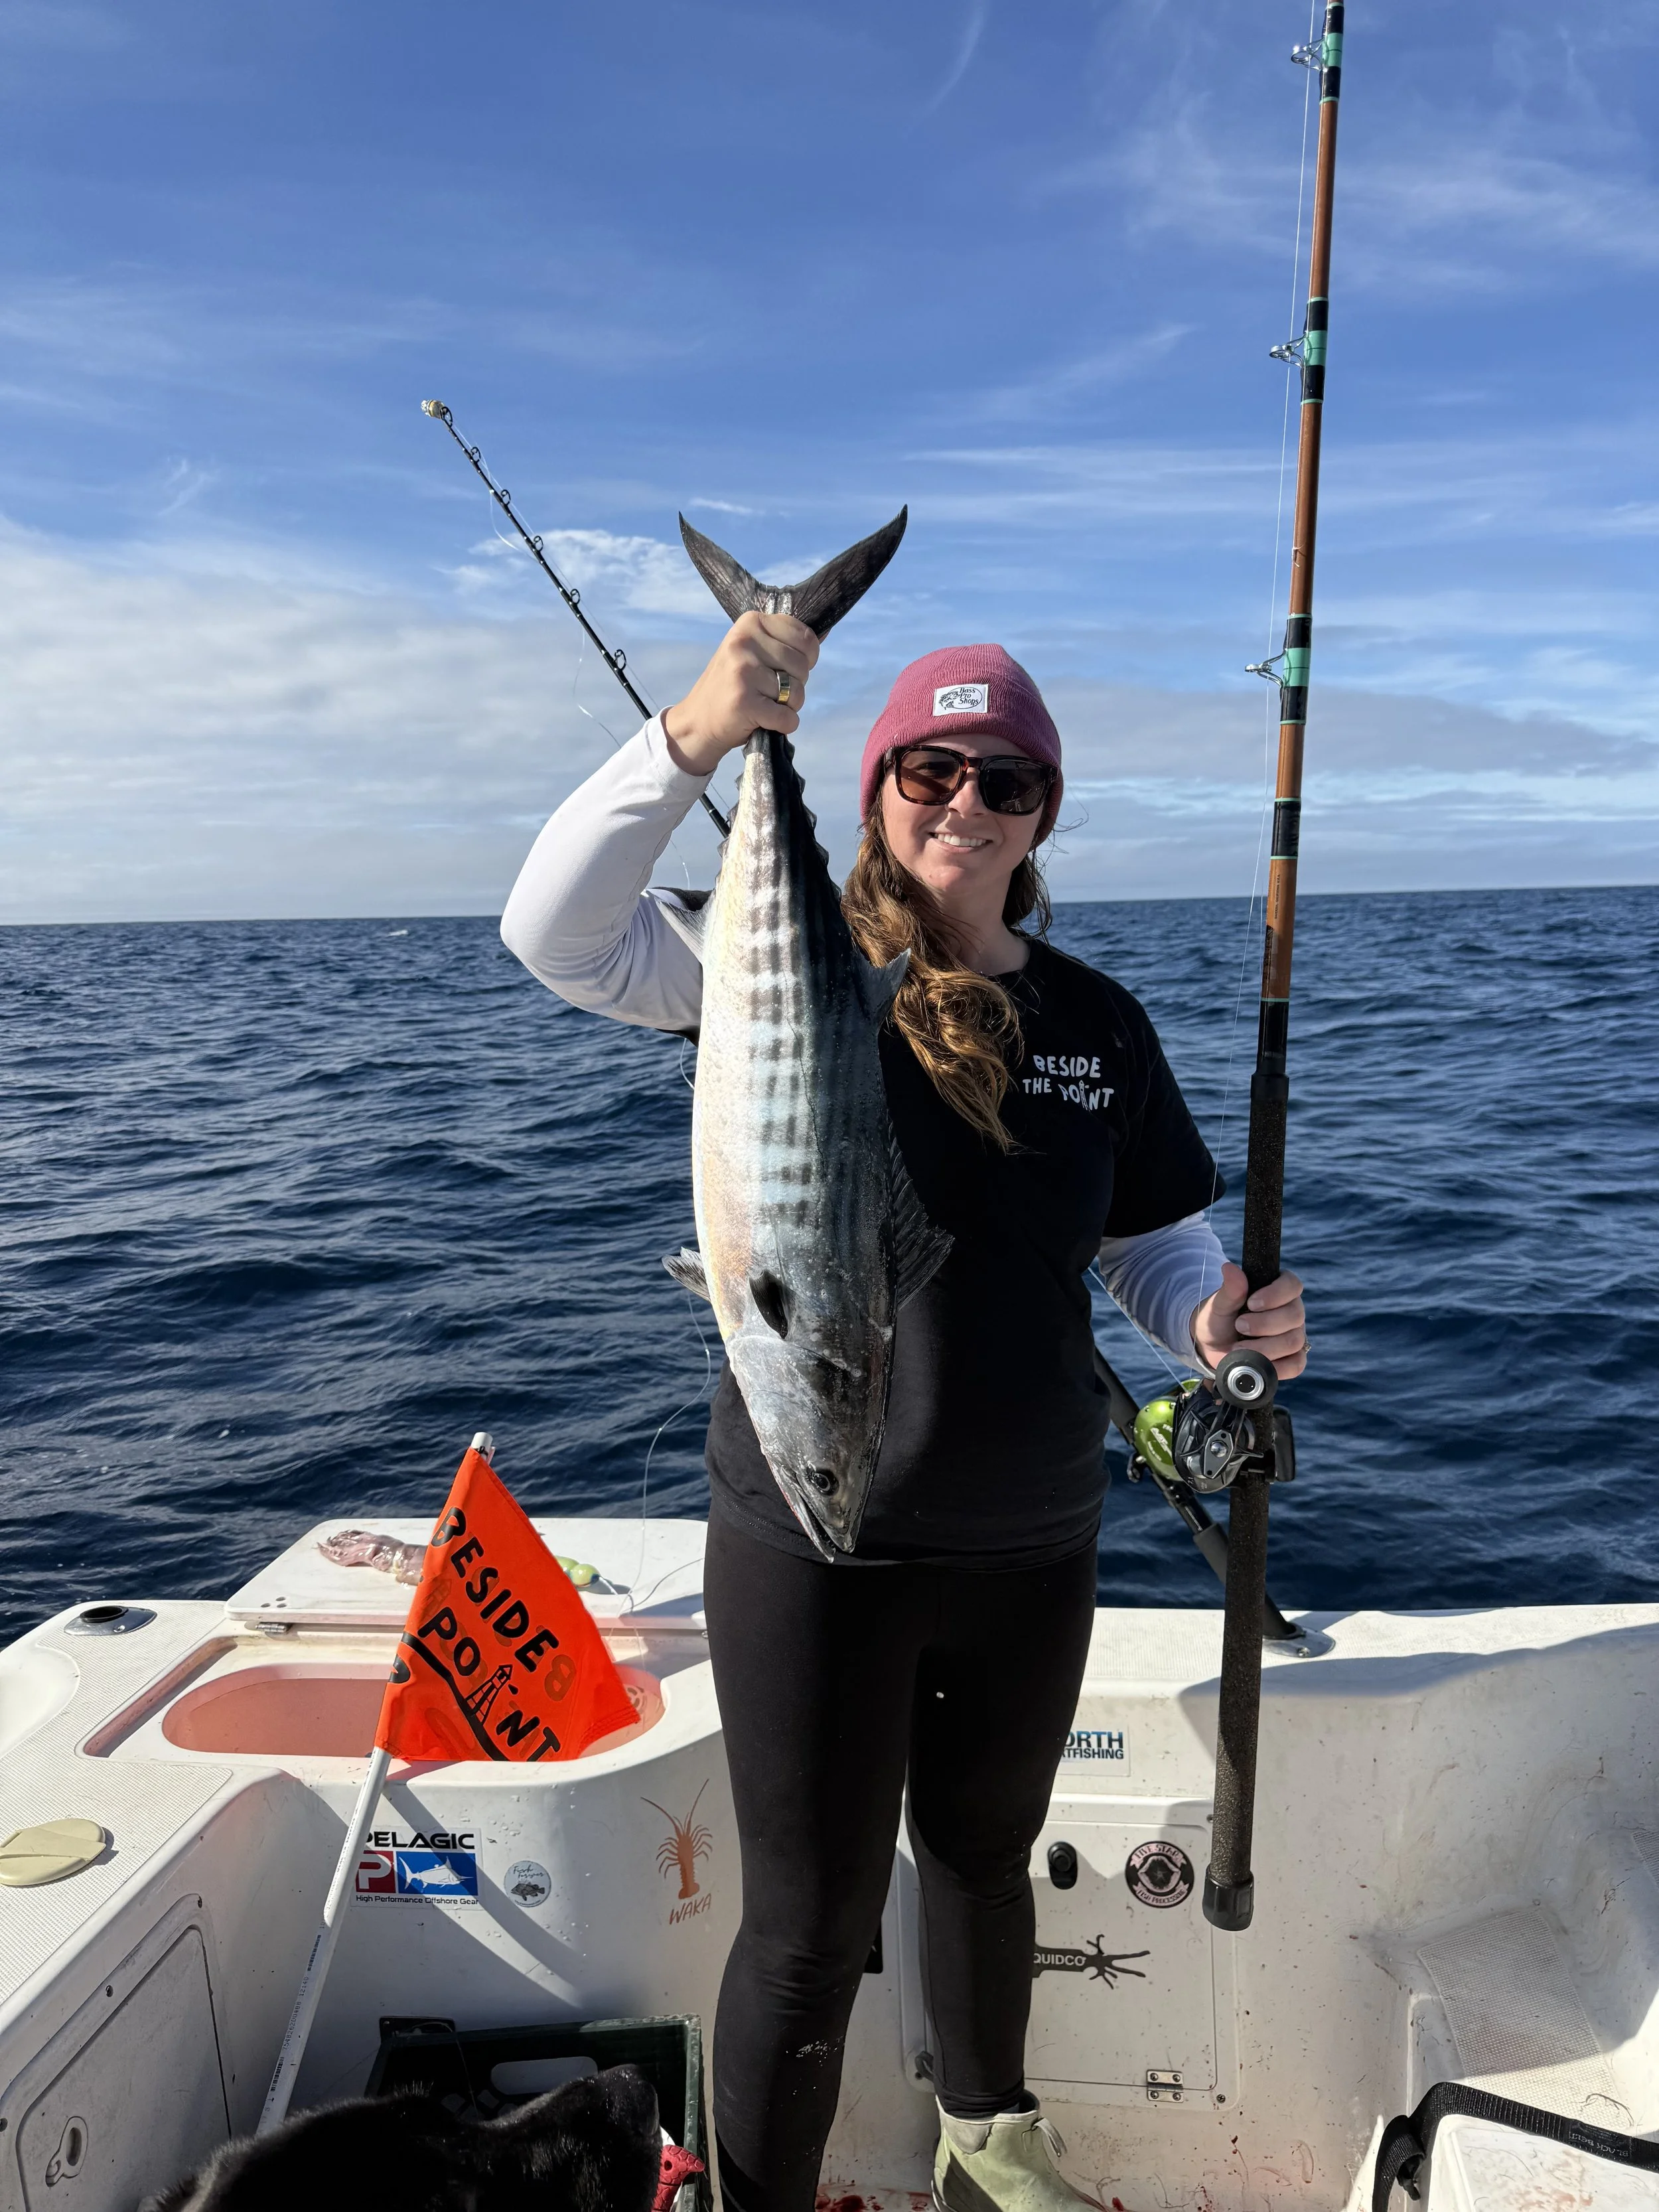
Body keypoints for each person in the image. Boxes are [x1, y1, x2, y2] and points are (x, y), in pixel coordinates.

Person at [500, 612, 1308, 2212]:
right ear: (872, 789)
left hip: (1030, 1543)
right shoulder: (785, 969)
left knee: (982, 1872)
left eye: (1001, 773)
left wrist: (1215, 1313)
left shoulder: (1097, 1023)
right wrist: (696, 732)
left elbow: (1148, 1245)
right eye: (927, 768)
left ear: (1041, 808)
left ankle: (990, 2165)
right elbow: (555, 933)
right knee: (803, 1929)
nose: (964, 798)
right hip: (817, 1541)